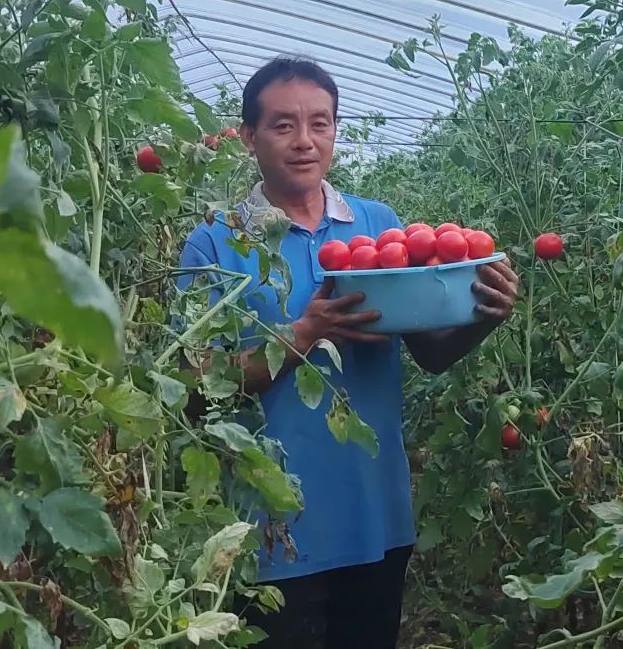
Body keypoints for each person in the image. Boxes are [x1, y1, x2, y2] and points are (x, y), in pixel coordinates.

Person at [176, 56, 519, 649]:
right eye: (283, 126)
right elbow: (192, 384)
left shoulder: (376, 224)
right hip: (269, 527)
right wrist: (302, 335)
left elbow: (430, 353)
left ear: (336, 129)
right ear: (249, 136)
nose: (305, 141)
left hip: (375, 517)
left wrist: (486, 316)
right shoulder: (217, 239)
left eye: (321, 123)